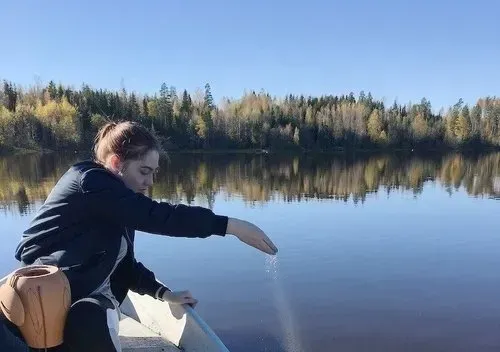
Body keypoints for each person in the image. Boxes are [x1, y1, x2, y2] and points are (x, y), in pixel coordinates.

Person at [8, 121, 278, 352]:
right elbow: (159, 216)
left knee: (87, 318)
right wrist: (231, 226)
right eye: (144, 171)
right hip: (40, 301)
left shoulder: (118, 201)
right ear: (115, 163)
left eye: (153, 173)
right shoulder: (89, 181)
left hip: (86, 303)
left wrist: (163, 293)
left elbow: (123, 264)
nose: (149, 183)